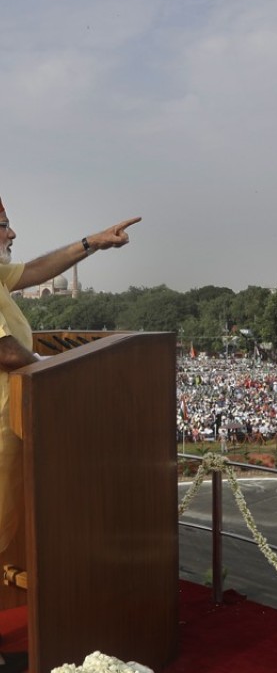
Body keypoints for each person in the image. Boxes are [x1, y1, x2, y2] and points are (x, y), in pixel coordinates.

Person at [0, 197, 140, 555]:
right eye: (3, 226)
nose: (12, 233)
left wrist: (91, 242)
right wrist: (56, 370)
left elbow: (34, 270)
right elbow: (5, 352)